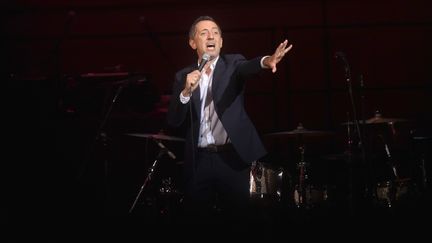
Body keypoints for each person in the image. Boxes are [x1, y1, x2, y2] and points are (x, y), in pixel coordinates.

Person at [167, 16, 293, 230]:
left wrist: (267, 61)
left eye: (216, 32)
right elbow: (174, 120)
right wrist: (186, 91)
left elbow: (249, 66)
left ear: (222, 41)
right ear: (192, 43)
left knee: (241, 220)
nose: (211, 36)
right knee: (196, 220)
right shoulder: (183, 76)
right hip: (199, 160)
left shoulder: (232, 64)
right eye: (204, 32)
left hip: (232, 158)